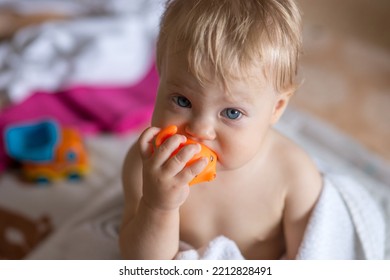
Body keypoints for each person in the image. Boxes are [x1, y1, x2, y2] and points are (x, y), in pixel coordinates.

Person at [119, 0, 322, 260]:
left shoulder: (294, 176)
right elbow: (141, 265)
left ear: (276, 108)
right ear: (161, 75)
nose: (199, 129)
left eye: (232, 113)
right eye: (182, 100)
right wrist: (157, 206)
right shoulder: (145, 166)